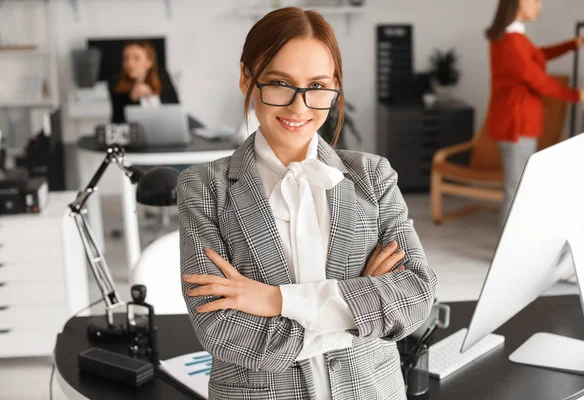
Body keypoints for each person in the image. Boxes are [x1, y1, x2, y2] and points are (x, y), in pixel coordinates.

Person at [177, 7, 437, 400]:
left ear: (335, 86)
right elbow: (222, 330)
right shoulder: (204, 188)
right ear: (248, 77)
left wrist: (276, 300)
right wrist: (360, 303)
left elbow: (416, 294)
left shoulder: (373, 176)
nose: (300, 107)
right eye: (280, 83)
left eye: (317, 86)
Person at [485, 0, 584, 228]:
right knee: (515, 189)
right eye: (536, 0)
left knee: (516, 186)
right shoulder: (511, 41)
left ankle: (513, 242)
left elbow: (537, 55)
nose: (540, 5)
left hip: (516, 121)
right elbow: (537, 80)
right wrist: (577, 95)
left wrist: (571, 45)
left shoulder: (512, 38)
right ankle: (506, 250)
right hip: (516, 125)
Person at [108, 40, 179, 123]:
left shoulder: (162, 76)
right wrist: (132, 99)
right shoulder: (115, 82)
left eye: (136, 58)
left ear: (149, 62)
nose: (129, 63)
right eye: (126, 58)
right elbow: (117, 120)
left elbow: (175, 108)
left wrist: (153, 98)